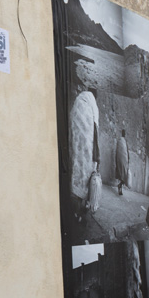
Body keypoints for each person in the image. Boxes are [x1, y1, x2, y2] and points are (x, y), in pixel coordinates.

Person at [68, 89, 100, 222]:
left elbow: (72, 125)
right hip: (88, 150)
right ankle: (80, 212)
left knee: (76, 175)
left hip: (76, 147)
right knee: (86, 179)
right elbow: (95, 133)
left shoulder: (78, 102)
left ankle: (76, 211)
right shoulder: (93, 105)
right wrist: (97, 158)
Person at [115, 129, 129, 195]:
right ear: (124, 134)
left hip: (120, 159)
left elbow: (118, 151)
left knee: (122, 175)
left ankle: (120, 188)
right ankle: (120, 187)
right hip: (123, 160)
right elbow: (126, 151)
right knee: (123, 175)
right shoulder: (123, 141)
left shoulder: (120, 141)